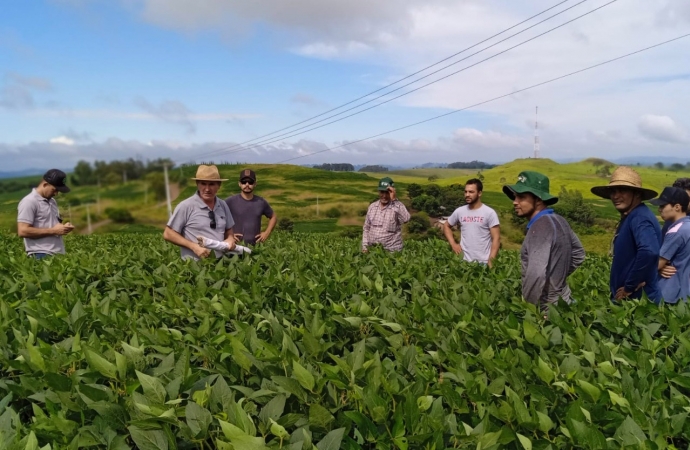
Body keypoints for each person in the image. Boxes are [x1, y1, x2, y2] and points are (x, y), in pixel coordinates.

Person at [503, 171, 585, 310]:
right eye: (515, 196)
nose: (515, 202)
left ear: (539, 200)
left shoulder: (540, 226)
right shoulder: (560, 220)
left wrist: (529, 309)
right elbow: (578, 254)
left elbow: (535, 274)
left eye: (522, 197)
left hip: (547, 308)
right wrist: (556, 279)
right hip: (565, 301)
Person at [591, 166, 661, 303]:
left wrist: (630, 286)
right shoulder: (631, 215)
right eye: (613, 191)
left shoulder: (639, 218)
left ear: (637, 194)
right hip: (631, 300)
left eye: (622, 190)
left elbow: (649, 251)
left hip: (638, 303)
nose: (616, 196)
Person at [163, 164, 236, 260]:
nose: (207, 189)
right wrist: (193, 246)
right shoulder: (186, 206)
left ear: (219, 185)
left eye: (211, 184)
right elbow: (168, 234)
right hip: (193, 267)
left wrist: (230, 239)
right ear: (197, 184)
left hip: (220, 265)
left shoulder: (223, 205)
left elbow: (228, 230)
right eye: (203, 184)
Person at [17, 169, 75, 259]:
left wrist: (63, 227)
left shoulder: (52, 201)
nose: (56, 194)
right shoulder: (29, 202)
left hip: (57, 254)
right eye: (54, 190)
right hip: (40, 254)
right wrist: (54, 231)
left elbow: (51, 225)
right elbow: (22, 231)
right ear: (45, 184)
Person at [444, 178, 500, 267]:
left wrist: (491, 261)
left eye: (471, 192)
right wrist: (453, 244)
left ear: (479, 193)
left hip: (483, 262)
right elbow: (446, 226)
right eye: (465, 192)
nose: (467, 195)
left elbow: (496, 239)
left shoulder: (489, 213)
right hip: (463, 261)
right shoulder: (460, 211)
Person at [650, 187, 690, 303]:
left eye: (663, 206)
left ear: (677, 207)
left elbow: (658, 264)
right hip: (685, 294)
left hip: (669, 292)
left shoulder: (676, 231)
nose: (659, 209)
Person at [225, 169, 277, 246]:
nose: (247, 184)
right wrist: (227, 235)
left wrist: (267, 232)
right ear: (239, 184)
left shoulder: (261, 202)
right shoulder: (230, 201)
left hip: (256, 248)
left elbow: (273, 217)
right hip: (235, 247)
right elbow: (218, 217)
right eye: (244, 182)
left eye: (250, 182)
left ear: (255, 184)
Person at [362, 177, 411, 252]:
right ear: (378, 192)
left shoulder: (397, 206)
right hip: (373, 250)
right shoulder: (372, 207)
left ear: (392, 192)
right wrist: (365, 247)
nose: (384, 196)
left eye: (387, 192)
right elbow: (366, 228)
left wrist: (394, 200)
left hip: (392, 251)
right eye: (382, 192)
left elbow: (406, 219)